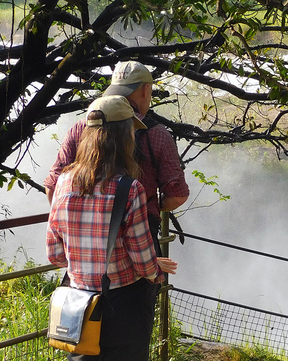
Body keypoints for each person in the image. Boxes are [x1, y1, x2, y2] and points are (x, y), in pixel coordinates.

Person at [38, 95, 178, 361]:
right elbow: (140, 259)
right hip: (123, 306)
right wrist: (158, 268)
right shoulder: (128, 187)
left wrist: (85, 266)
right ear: (122, 137)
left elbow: (54, 254)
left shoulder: (63, 182)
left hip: (80, 305)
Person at [44, 61, 190, 249]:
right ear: (146, 90)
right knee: (144, 276)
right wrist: (149, 204)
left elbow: (52, 187)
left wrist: (73, 224)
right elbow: (177, 195)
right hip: (140, 239)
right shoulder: (156, 134)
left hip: (83, 242)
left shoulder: (80, 128)